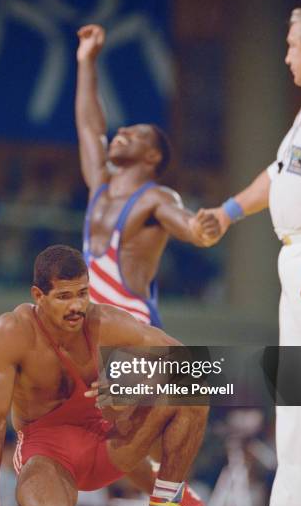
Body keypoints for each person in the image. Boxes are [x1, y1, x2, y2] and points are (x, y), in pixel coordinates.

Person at [207, 5, 301, 506]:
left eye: (292, 45)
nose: (286, 55)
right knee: (299, 388)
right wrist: (228, 212)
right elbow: (278, 175)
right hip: (299, 253)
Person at [0, 244, 219, 506]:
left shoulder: (105, 322)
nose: (77, 306)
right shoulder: (12, 331)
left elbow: (191, 363)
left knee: (190, 388)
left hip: (106, 443)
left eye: (83, 293)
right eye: (64, 296)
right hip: (46, 450)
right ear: (38, 296)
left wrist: (131, 381)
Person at [76, 24, 219, 327]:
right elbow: (90, 127)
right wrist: (86, 62)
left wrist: (198, 229)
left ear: (153, 156)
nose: (122, 130)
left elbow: (183, 221)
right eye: (123, 129)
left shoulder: (155, 197)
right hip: (89, 325)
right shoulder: (99, 183)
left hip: (132, 324)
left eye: (135, 133)